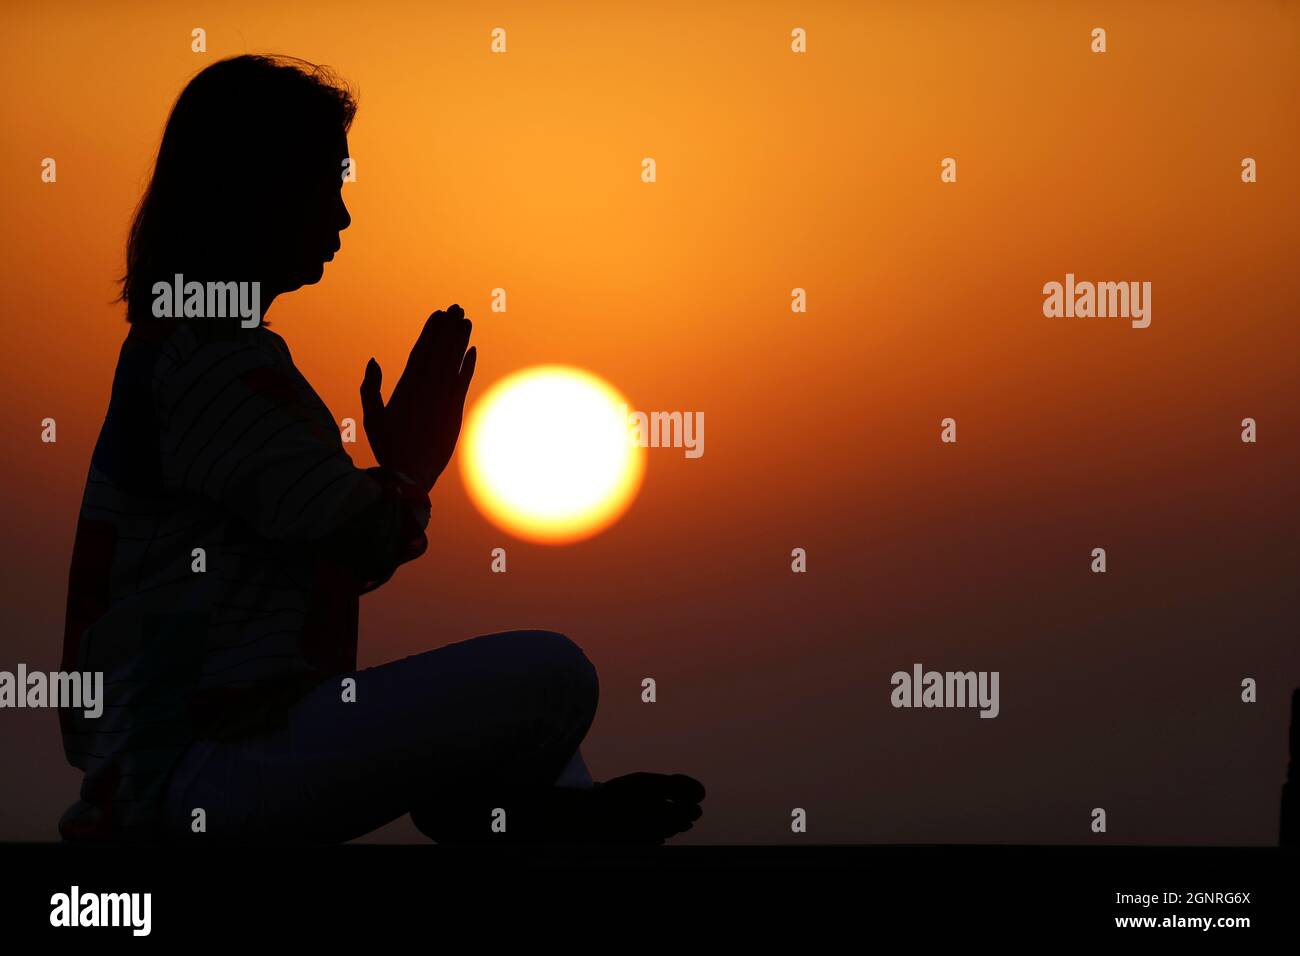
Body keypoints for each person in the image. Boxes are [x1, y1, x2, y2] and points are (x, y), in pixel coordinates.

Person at [58, 54, 705, 845]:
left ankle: (522, 806)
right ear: (254, 189)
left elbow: (326, 533)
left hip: (206, 765)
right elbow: (353, 529)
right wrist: (411, 466)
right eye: (326, 182)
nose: (342, 215)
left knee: (527, 697)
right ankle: (520, 810)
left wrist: (395, 477)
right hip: (201, 775)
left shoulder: (194, 351)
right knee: (553, 673)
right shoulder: (211, 360)